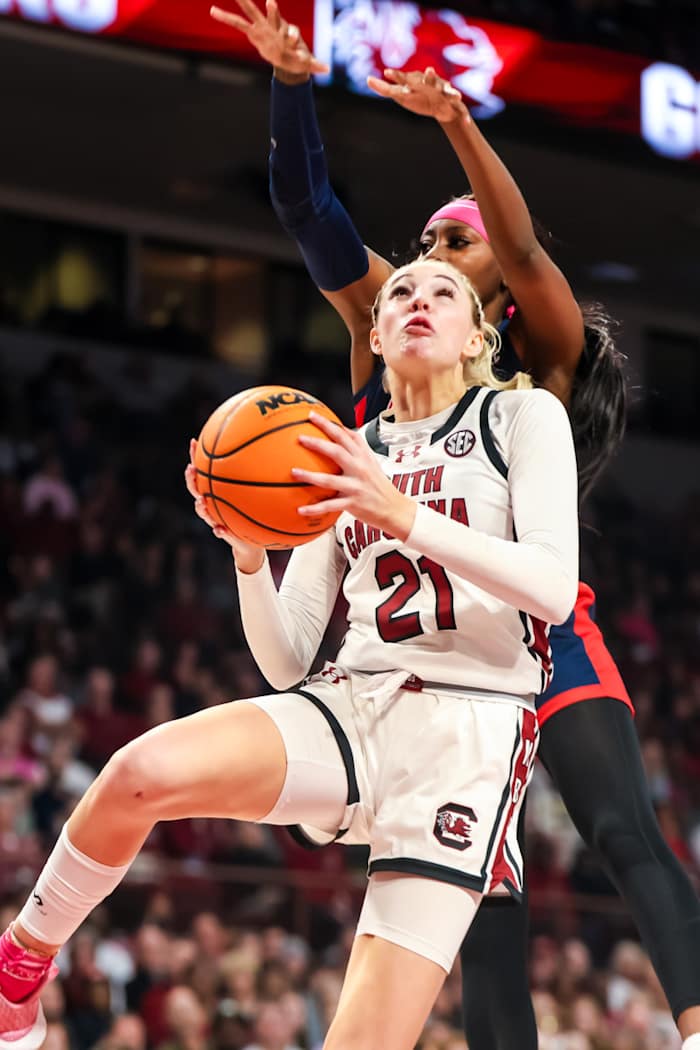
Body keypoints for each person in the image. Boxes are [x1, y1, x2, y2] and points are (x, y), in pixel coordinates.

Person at [208, 4, 700, 1049]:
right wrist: (291, 85)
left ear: (494, 304)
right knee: (482, 896)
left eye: (451, 243)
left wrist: (455, 123)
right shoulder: (383, 335)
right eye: (421, 245)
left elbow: (516, 242)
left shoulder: (542, 369)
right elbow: (305, 204)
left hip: (534, 627)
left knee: (618, 826)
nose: (424, 257)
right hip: (419, 656)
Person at [0, 259, 578, 1050]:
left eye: (445, 293)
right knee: (138, 776)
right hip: (354, 700)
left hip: (469, 736)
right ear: (374, 334)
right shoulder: (339, 449)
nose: (419, 300)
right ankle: (16, 980)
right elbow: (289, 658)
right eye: (400, 292)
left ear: (477, 335)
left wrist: (400, 514)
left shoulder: (523, 418)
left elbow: (551, 589)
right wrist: (247, 555)